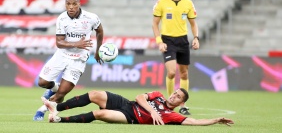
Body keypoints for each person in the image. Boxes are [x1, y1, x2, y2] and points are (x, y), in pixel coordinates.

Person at [33, 0, 104, 121]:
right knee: (42, 82)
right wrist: (77, 43)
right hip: (62, 55)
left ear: (79, 4)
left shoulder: (91, 17)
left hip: (78, 59)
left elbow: (99, 31)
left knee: (61, 94)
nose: (71, 7)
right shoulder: (61, 19)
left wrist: (98, 50)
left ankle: (41, 111)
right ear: (65, 4)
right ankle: (54, 87)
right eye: (68, 4)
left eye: (74, 4)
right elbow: (59, 43)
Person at [42, 88, 234, 126]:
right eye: (175, 92)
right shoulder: (158, 95)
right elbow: (139, 96)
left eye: (178, 97)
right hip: (128, 104)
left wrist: (215, 120)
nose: (174, 95)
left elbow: (193, 121)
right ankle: (57, 107)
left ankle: (57, 119)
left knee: (99, 113)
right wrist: (151, 110)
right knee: (95, 94)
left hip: (130, 118)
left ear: (181, 103)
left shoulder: (170, 116)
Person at [152, 0, 200, 115]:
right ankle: (169, 102)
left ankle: (183, 105)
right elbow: (155, 24)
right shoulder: (161, 3)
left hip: (183, 41)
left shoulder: (188, 3)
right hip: (168, 41)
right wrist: (159, 41)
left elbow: (193, 23)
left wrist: (196, 37)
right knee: (172, 72)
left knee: (184, 73)